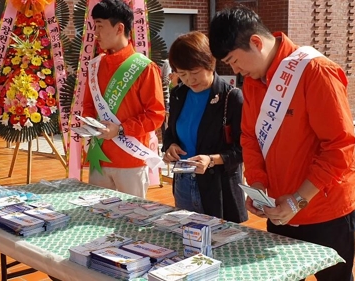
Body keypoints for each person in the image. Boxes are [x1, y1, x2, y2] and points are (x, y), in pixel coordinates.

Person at [209, 6, 355, 280]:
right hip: (281, 208)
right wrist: (256, 185)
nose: (235, 70)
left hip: (326, 209)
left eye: (234, 61)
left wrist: (299, 200)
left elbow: (339, 147)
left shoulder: (315, 71)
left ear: (256, 42)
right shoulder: (254, 81)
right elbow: (250, 138)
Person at [162, 31, 248, 223]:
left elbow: (244, 149)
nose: (190, 80)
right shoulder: (179, 94)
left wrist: (211, 160)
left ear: (210, 64)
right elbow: (170, 133)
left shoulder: (231, 97)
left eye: (194, 72)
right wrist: (170, 147)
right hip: (183, 182)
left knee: (219, 245)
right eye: (182, 74)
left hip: (217, 187)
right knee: (186, 237)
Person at [82, 0, 165, 198]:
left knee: (132, 220)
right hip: (98, 158)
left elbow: (156, 116)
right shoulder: (95, 66)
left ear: (120, 28)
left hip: (131, 160)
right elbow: (88, 106)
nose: (96, 33)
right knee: (96, 218)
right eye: (95, 27)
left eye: (100, 26)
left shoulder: (145, 68)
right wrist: (90, 124)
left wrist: (120, 129)